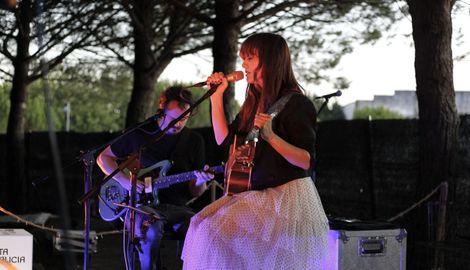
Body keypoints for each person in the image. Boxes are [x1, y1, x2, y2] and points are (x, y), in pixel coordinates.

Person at [181, 33, 330, 269]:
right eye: (243, 59)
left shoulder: (296, 104)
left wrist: (271, 136)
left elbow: (305, 160)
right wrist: (216, 97)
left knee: (211, 231)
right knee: (199, 224)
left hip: (285, 198)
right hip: (258, 194)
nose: (243, 65)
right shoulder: (254, 101)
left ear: (269, 61)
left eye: (249, 58)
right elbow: (225, 139)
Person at [97, 86, 213, 270]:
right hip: (141, 206)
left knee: (204, 228)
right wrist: (126, 182)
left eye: (184, 118)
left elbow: (195, 191)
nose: (178, 123)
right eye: (174, 118)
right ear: (162, 107)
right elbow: (103, 158)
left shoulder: (194, 141)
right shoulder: (141, 133)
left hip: (177, 208)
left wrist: (200, 180)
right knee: (150, 226)